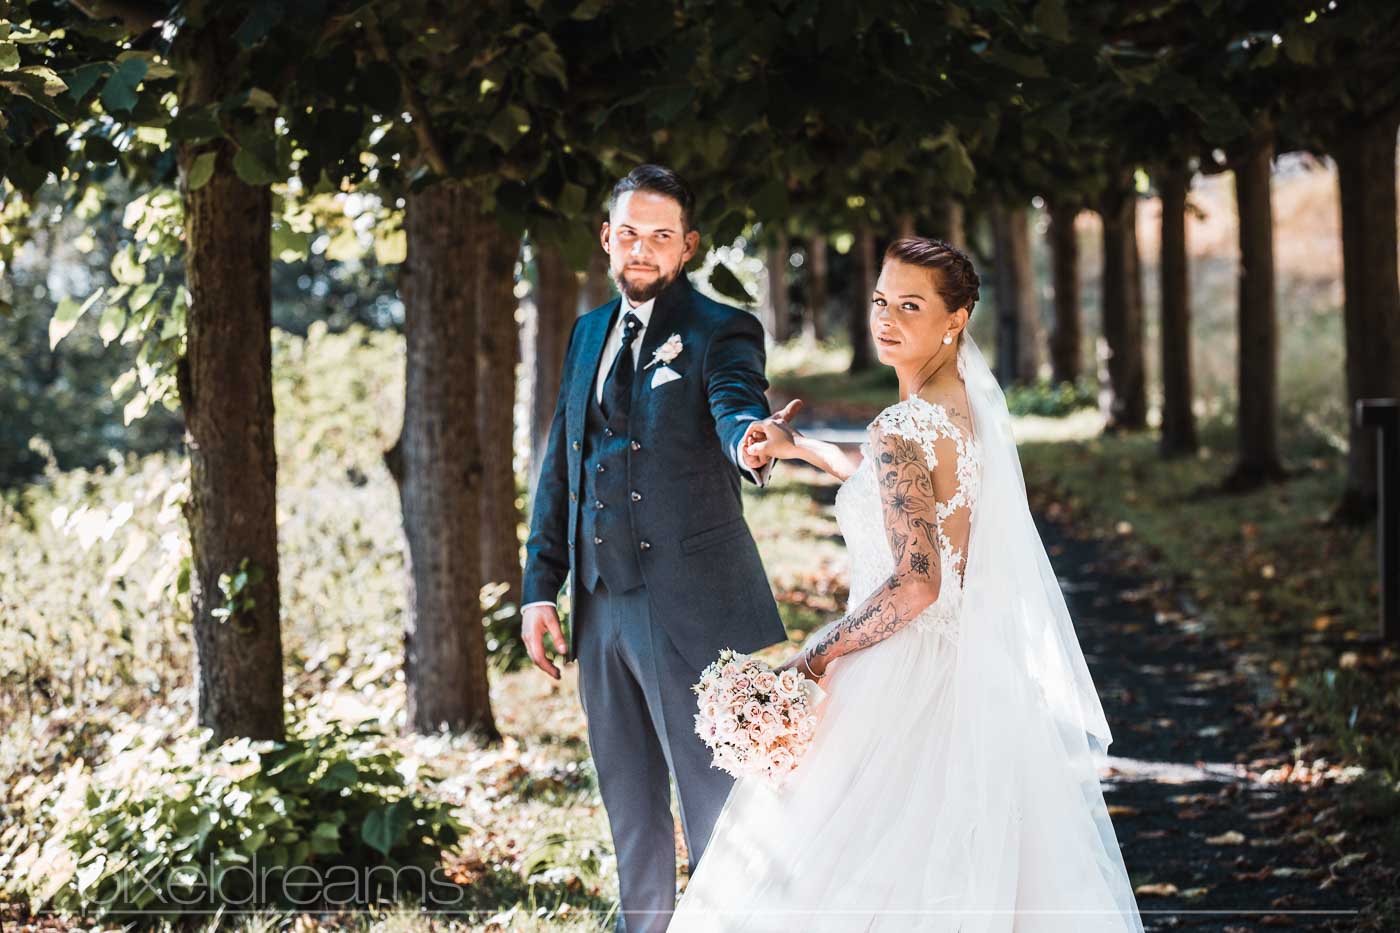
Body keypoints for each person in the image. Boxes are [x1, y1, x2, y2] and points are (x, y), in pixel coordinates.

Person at [666, 236, 1145, 932]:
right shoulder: (965, 410)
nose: (886, 319)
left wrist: (814, 655)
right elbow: (890, 479)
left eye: (910, 306)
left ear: (957, 318)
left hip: (899, 675)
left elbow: (917, 582)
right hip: (974, 672)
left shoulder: (902, 427)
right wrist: (799, 447)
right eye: (881, 301)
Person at [520, 163, 798, 933]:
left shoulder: (721, 329)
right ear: (608, 239)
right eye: (630, 233)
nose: (643, 249)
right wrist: (539, 587)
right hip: (600, 608)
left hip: (693, 608)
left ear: (688, 246)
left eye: (661, 236)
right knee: (631, 810)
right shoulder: (584, 335)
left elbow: (735, 407)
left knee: (718, 813)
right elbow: (561, 466)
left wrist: (753, 443)